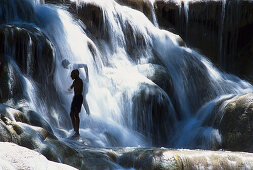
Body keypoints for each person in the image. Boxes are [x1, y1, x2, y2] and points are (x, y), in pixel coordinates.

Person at [68, 69, 83, 137]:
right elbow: (71, 87)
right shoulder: (75, 81)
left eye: (72, 74)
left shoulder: (80, 81)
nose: (71, 76)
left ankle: (77, 132)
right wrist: (68, 90)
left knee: (76, 114)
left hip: (79, 98)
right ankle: (75, 130)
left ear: (76, 74)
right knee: (71, 114)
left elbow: (78, 90)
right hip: (75, 98)